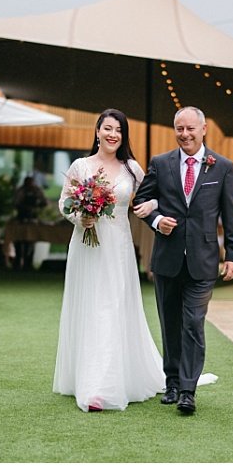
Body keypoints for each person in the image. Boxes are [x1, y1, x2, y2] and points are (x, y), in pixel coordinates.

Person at [132, 106, 233, 415]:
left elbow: (231, 214)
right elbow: (140, 200)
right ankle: (171, 382)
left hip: (203, 260)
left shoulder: (222, 167)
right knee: (170, 323)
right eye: (179, 128)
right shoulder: (161, 163)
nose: (185, 134)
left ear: (203, 129)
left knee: (193, 322)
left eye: (190, 128)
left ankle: (187, 391)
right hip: (167, 258)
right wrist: (156, 221)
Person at [54, 109, 164, 412]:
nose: (112, 134)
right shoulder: (81, 165)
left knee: (112, 307)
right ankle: (88, 379)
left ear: (123, 135)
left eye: (118, 130)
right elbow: (65, 201)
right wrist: (81, 217)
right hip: (86, 246)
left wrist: (151, 207)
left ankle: (103, 385)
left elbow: (148, 198)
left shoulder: (132, 168)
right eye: (107, 128)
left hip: (118, 246)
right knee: (90, 306)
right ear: (97, 132)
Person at [12, 176, 47, 270]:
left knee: (31, 241)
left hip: (32, 218)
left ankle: (28, 262)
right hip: (21, 218)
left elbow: (44, 202)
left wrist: (35, 208)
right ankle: (18, 261)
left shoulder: (37, 191)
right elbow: (16, 203)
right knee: (19, 240)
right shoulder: (21, 191)